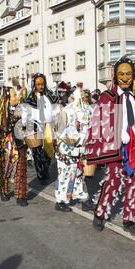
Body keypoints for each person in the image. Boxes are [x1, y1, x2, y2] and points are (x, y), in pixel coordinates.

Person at [85, 57, 135, 237]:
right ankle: (100, 214)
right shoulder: (108, 96)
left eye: (128, 73)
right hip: (116, 147)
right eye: (121, 74)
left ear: (134, 75)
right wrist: (118, 135)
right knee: (114, 182)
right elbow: (100, 123)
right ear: (115, 76)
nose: (125, 77)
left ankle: (130, 220)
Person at [53, 84, 92, 212]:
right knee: (65, 175)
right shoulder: (66, 111)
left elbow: (89, 126)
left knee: (78, 175)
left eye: (84, 94)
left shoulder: (86, 110)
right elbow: (59, 131)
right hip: (66, 150)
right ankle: (60, 201)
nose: (82, 96)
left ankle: (81, 197)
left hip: (80, 149)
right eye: (79, 95)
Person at [0, 87, 29, 206]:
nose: (16, 98)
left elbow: (26, 128)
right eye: (13, 96)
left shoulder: (21, 111)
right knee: (5, 170)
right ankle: (4, 190)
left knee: (21, 169)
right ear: (7, 98)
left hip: (19, 143)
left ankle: (21, 195)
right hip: (5, 145)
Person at [23, 73, 59, 182]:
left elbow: (56, 110)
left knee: (48, 150)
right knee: (37, 152)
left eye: (42, 84)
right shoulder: (30, 98)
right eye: (38, 84)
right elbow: (25, 113)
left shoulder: (50, 96)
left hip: (49, 126)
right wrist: (25, 125)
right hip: (35, 126)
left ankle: (46, 169)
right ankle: (41, 174)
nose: (41, 87)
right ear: (35, 84)